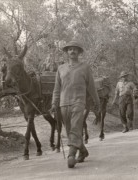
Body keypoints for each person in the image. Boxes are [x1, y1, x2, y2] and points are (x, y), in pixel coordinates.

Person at [50, 40, 100, 168]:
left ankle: (71, 155)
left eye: (75, 49)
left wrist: (97, 102)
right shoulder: (61, 68)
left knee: (76, 128)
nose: (72, 51)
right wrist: (54, 103)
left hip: (79, 102)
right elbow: (57, 88)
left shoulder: (85, 67)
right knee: (69, 131)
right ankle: (83, 151)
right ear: (67, 52)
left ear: (79, 52)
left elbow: (92, 87)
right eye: (70, 49)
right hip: (63, 103)